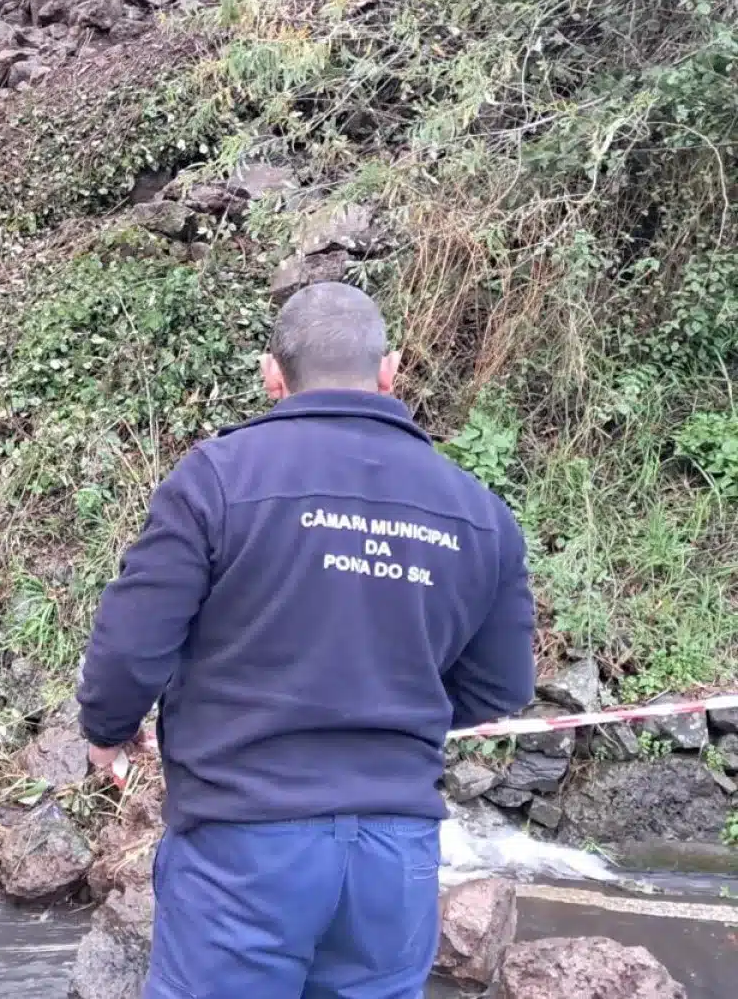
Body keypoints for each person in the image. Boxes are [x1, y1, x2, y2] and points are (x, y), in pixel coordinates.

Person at [76, 282, 537, 999]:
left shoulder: (219, 479)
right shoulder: (478, 512)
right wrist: (390, 710)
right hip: (394, 855)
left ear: (272, 375)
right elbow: (501, 687)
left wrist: (107, 732)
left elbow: (133, 644)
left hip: (242, 843)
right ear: (389, 371)